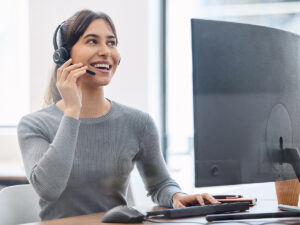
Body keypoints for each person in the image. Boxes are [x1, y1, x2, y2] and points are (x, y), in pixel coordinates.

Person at [17, 9, 219, 221]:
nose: (106, 51)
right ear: (64, 56)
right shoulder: (34, 125)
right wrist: (72, 111)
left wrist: (177, 195)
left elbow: (159, 184)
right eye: (92, 41)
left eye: (111, 42)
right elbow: (49, 189)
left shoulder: (139, 123)